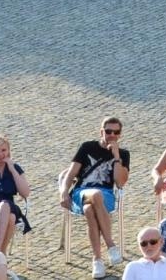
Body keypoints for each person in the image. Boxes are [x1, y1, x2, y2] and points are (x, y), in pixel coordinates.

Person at [62, 118, 129, 278]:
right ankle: (111, 245)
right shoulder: (87, 147)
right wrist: (64, 192)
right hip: (82, 192)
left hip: (106, 195)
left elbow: (120, 182)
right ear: (101, 132)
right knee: (94, 195)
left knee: (89, 210)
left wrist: (116, 156)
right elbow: (70, 174)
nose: (112, 135)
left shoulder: (123, 154)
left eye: (116, 132)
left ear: (120, 135)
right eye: (108, 131)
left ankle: (97, 260)